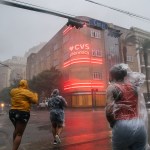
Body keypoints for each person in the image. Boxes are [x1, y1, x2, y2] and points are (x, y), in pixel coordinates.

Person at [105, 63, 148, 150]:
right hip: (139, 124)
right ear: (125, 74)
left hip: (122, 125)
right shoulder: (133, 87)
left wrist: (113, 123)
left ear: (112, 76)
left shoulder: (112, 88)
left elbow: (109, 110)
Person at [9, 79, 38, 150]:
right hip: (22, 113)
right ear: (26, 85)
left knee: (16, 130)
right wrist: (35, 95)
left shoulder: (13, 91)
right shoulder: (28, 92)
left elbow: (12, 94)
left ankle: (14, 144)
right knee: (19, 134)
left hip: (12, 113)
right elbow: (35, 101)